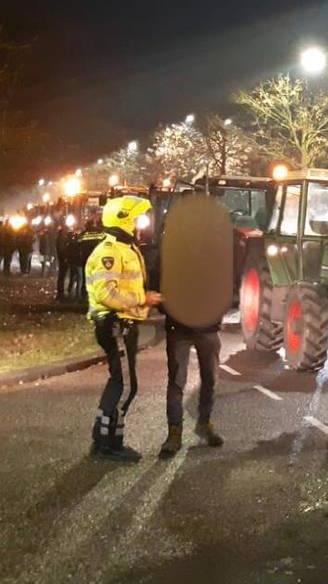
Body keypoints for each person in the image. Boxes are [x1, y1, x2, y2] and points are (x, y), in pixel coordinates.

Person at [87, 195, 163, 462]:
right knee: (126, 385)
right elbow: (107, 294)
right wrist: (144, 299)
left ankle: (107, 439)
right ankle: (108, 445)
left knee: (119, 383)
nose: (141, 223)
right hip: (115, 323)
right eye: (137, 217)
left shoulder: (125, 248)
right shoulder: (110, 252)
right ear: (125, 219)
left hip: (122, 323)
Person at [158, 313, 223, 458]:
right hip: (179, 329)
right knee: (177, 382)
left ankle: (204, 424)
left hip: (208, 328)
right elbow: (158, 293)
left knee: (210, 379)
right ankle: (174, 432)